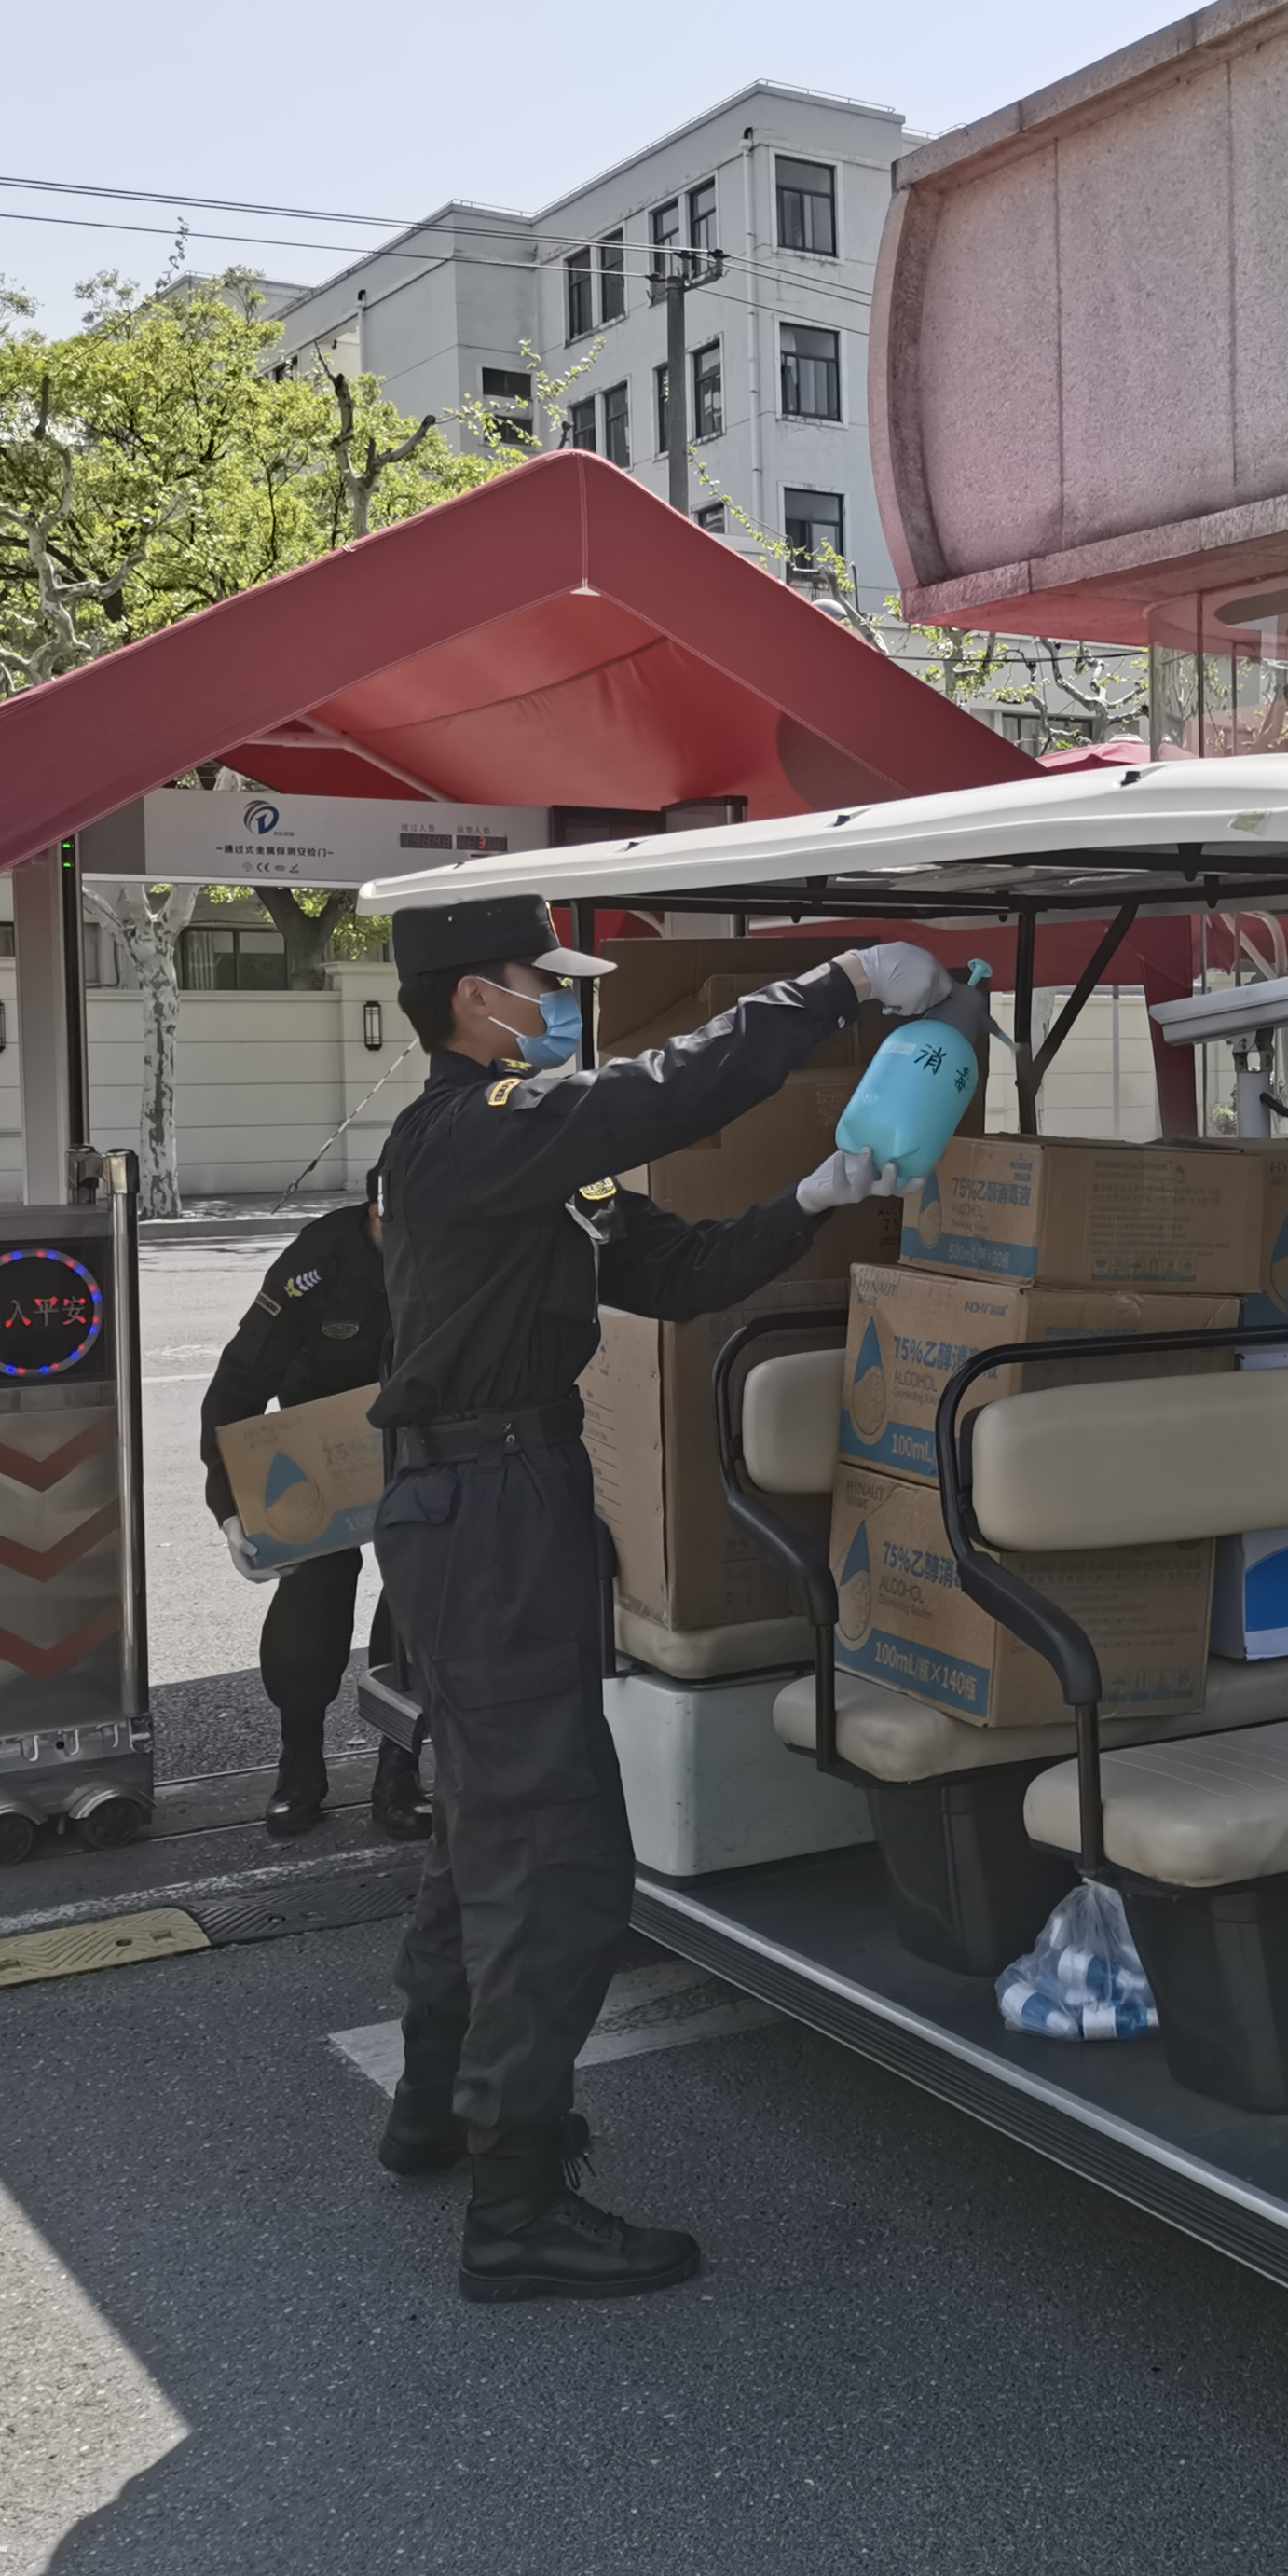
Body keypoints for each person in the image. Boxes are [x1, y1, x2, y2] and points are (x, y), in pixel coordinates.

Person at [365, 893, 939, 2304]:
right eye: (539, 983)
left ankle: (436, 2106)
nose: (560, 1006)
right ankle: (516, 2203)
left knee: (485, 1822)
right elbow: (663, 1093)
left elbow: (673, 1275)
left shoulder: (521, 1153)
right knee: (550, 1850)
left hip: (501, 1500)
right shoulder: (472, 1129)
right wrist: (840, 983)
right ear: (474, 997)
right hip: (486, 1506)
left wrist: (812, 1199)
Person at [200, 1199, 426, 1841]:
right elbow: (238, 1386)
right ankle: (299, 1761)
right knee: (312, 1603)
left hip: (421, 1445)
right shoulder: (316, 1265)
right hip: (321, 1457)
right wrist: (232, 1510)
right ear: (380, 1207)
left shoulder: (459, 1248)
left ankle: (398, 1770)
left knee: (415, 1609)